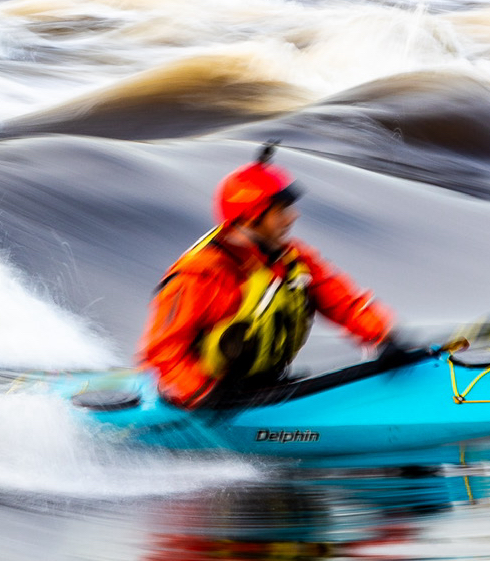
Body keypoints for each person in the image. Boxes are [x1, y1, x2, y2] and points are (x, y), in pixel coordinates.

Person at [139, 144, 411, 409]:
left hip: (260, 388)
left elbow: (344, 303)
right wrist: (204, 394)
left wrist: (383, 336)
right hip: (205, 397)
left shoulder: (294, 259)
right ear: (251, 217)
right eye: (281, 210)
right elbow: (163, 353)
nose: (293, 216)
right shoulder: (200, 274)